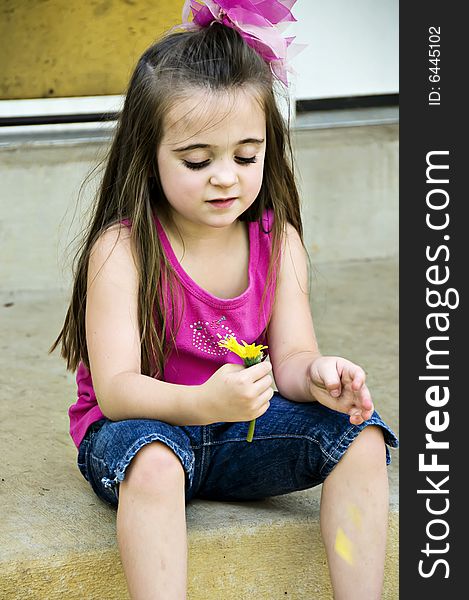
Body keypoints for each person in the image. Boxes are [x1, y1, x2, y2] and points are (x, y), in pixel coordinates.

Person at [50, 1, 398, 598]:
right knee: (156, 463)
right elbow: (116, 389)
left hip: (243, 430)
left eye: (245, 156)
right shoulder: (124, 249)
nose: (226, 178)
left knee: (363, 437)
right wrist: (205, 401)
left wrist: (317, 375)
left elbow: (290, 359)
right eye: (196, 160)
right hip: (143, 434)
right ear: (149, 153)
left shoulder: (277, 241)